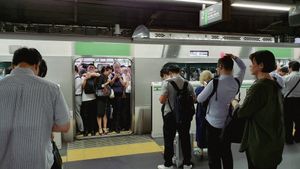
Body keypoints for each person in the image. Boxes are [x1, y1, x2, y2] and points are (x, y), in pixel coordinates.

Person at [0, 47, 70, 169]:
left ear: (12, 65)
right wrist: (44, 124)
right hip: (38, 161)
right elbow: (64, 126)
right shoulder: (51, 89)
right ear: (37, 65)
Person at [197, 54, 246, 169]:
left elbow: (199, 99)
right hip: (228, 123)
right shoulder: (236, 82)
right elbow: (243, 67)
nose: (217, 70)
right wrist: (234, 57)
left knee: (214, 154)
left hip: (212, 123)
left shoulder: (214, 83)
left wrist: (206, 88)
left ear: (221, 67)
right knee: (226, 151)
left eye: (217, 68)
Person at [237, 50, 284, 169]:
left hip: (259, 142)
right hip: (274, 140)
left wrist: (234, 102)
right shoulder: (274, 83)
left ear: (261, 65)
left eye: (253, 63)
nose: (250, 65)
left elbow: (242, 113)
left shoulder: (259, 87)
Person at [158, 64, 195, 169]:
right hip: (184, 116)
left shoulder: (167, 83)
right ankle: (187, 163)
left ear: (169, 72)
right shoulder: (188, 83)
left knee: (169, 139)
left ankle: (168, 164)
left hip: (170, 115)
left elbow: (162, 100)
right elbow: (194, 99)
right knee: (185, 138)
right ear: (179, 71)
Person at [282, 60, 300, 144]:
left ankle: (289, 139)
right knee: (299, 120)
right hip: (299, 101)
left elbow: (282, 90)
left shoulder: (286, 78)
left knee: (288, 121)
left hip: (288, 101)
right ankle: (298, 138)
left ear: (291, 68)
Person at [195, 70, 213, 149]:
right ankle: (210, 147)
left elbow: (195, 100)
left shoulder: (199, 89)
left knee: (200, 130)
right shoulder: (213, 89)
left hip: (201, 113)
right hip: (211, 112)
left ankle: (201, 148)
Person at [95, 66, 111, 135]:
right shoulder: (101, 76)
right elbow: (99, 86)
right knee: (100, 113)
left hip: (105, 97)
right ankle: (100, 128)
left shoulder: (105, 77)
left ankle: (105, 127)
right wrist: (107, 83)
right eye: (109, 72)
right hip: (100, 98)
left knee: (104, 113)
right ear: (105, 70)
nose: (109, 74)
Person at [74, 65, 84, 134]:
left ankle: (81, 129)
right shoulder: (77, 78)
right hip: (78, 96)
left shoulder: (77, 79)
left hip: (77, 97)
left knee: (77, 113)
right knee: (77, 113)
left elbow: (74, 88)